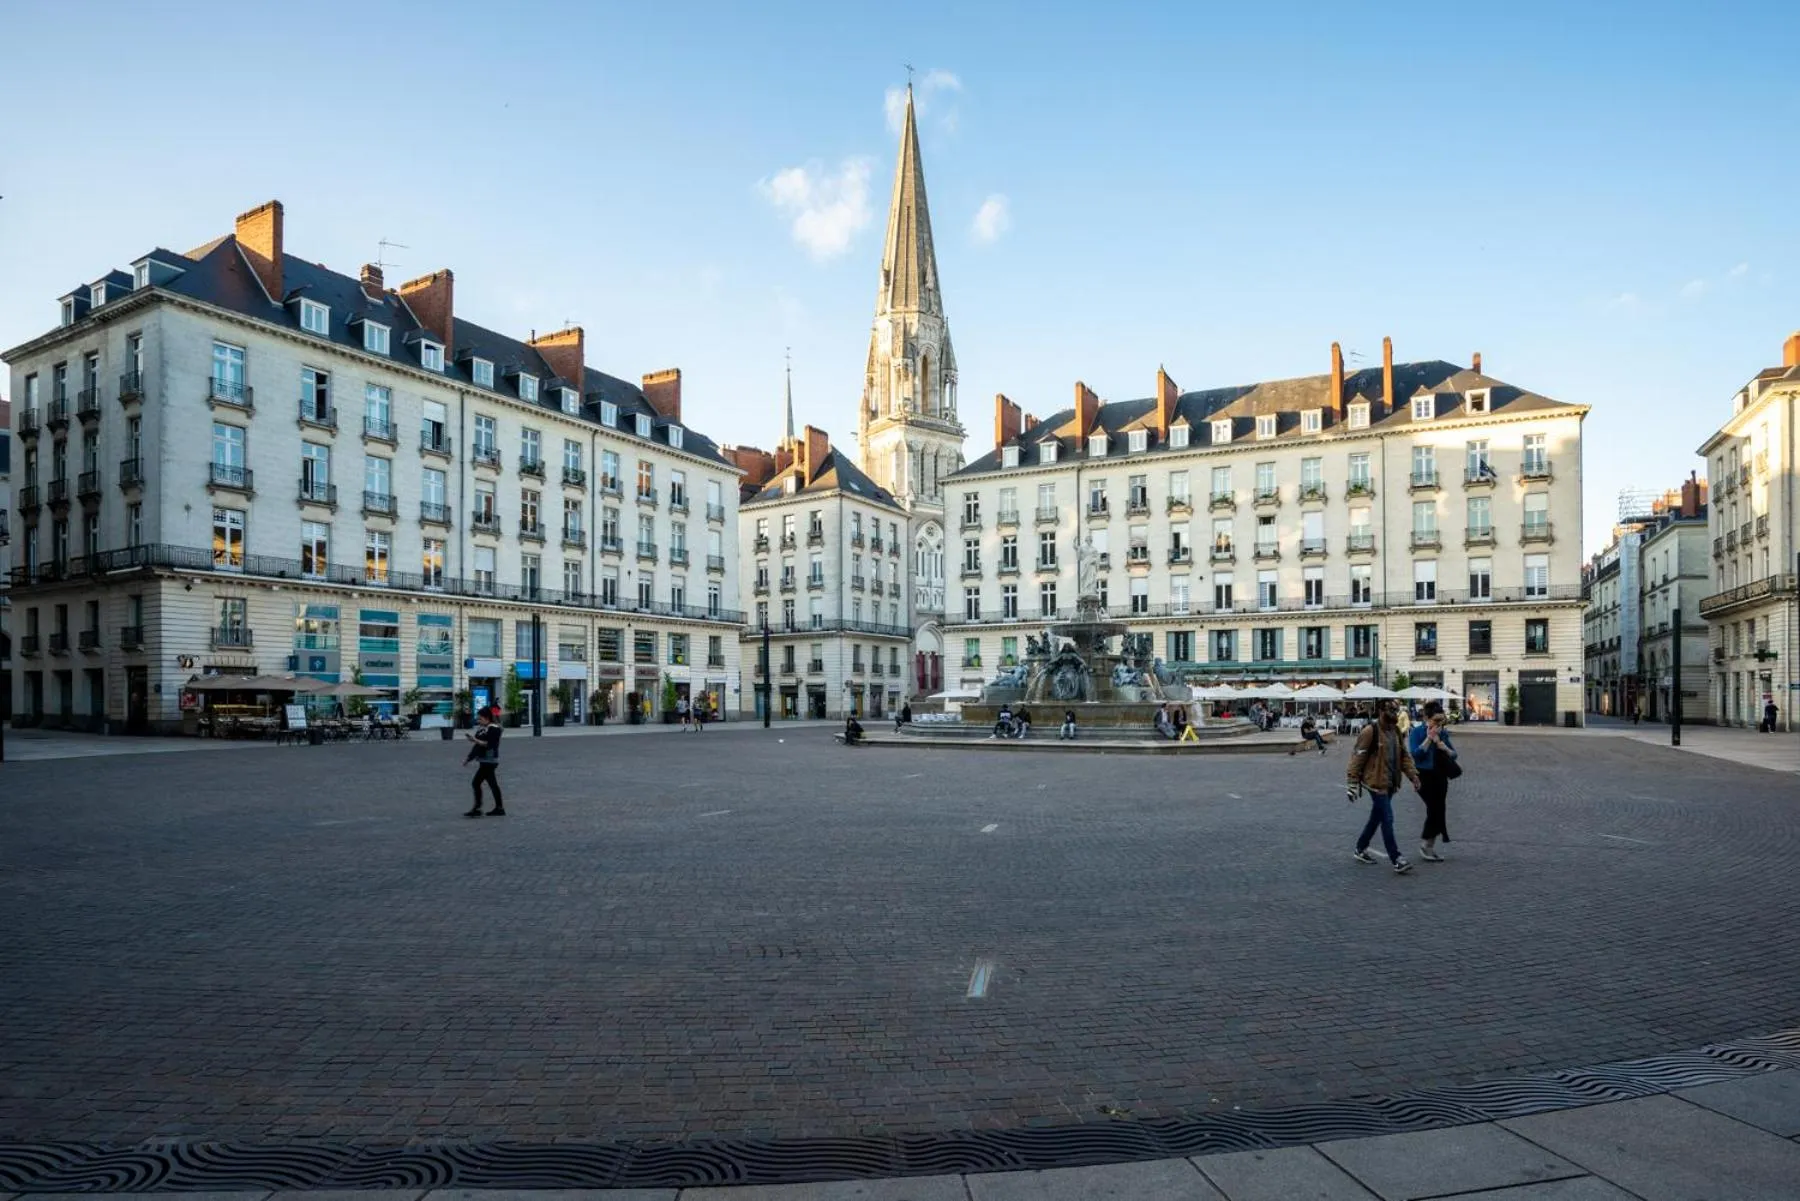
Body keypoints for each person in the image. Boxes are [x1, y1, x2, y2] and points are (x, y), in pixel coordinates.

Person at [1346, 700, 1421, 874]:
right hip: (1375, 783)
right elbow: (1357, 758)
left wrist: (1413, 775)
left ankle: (1360, 848)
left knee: (1376, 817)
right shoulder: (1369, 731)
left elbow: (1403, 756)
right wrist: (1351, 783)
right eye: (1391, 709)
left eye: (1396, 709)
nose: (1395, 712)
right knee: (1387, 818)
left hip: (1390, 782)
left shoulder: (1395, 731)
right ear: (1381, 711)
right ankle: (1397, 859)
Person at [1408, 701, 1458, 861]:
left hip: (1440, 775)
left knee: (1439, 809)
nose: (1439, 724)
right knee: (1434, 807)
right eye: (1436, 720)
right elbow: (1415, 754)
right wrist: (1429, 739)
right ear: (1426, 718)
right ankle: (1425, 844)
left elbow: (1454, 754)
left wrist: (1444, 747)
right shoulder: (1416, 732)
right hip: (1423, 775)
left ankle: (1429, 845)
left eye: (1441, 720)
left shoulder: (1443, 733)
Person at [463, 707, 505, 818]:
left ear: (487, 718)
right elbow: (477, 746)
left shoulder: (494, 729)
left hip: (490, 761)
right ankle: (499, 808)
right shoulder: (483, 729)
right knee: (492, 784)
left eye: (480, 719)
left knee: (476, 782)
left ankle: (478, 808)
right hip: (485, 760)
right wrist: (469, 757)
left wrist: (475, 740)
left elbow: (489, 744)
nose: (479, 721)